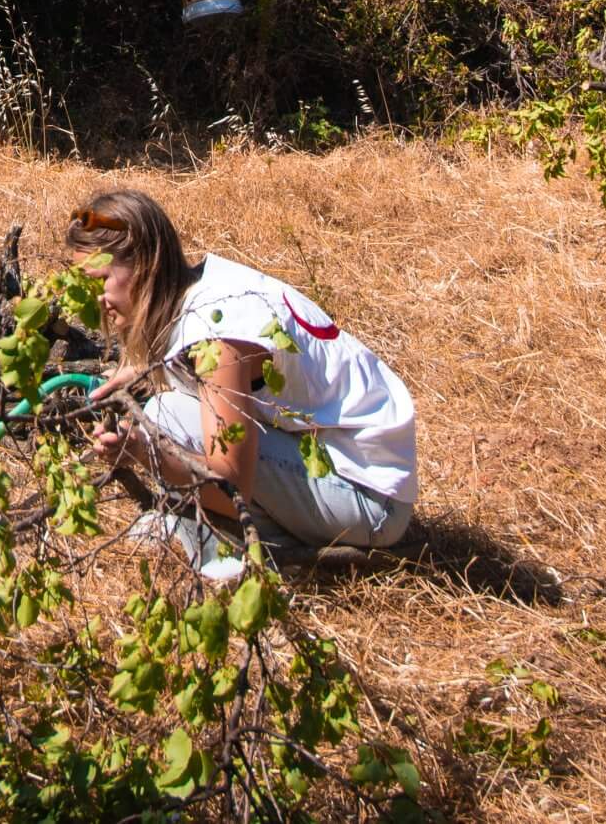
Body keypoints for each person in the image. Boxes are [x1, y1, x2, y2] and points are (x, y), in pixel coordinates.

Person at [69, 190, 416, 580]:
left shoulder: (216, 340)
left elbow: (233, 478)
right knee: (175, 415)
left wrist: (143, 453)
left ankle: (229, 563)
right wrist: (142, 364)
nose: (95, 300)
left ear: (146, 266)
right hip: (358, 470)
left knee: (166, 420)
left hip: (371, 500)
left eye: (99, 282)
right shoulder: (205, 291)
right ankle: (238, 534)